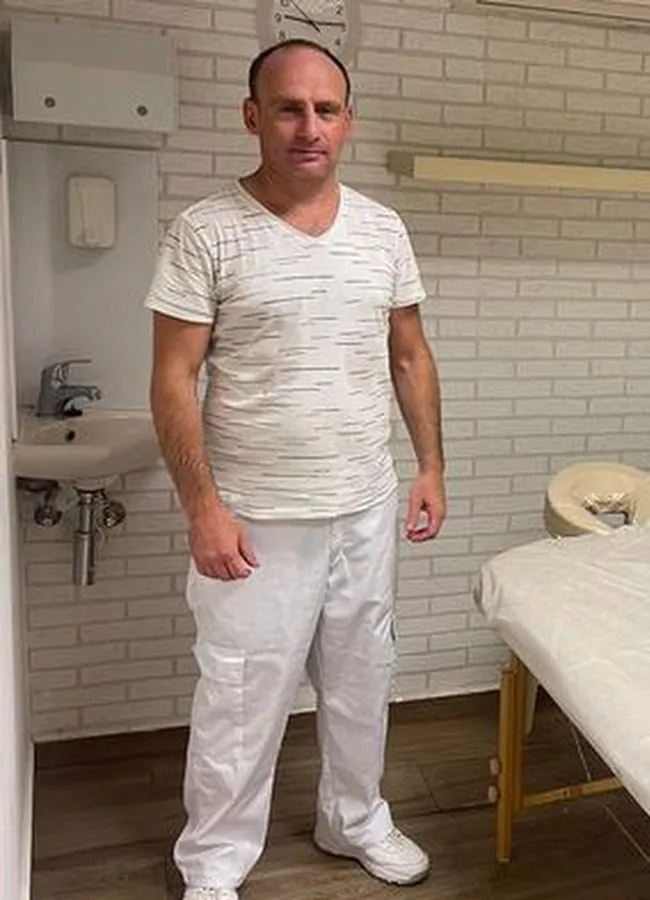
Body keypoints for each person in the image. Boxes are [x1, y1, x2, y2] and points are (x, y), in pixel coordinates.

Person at [143, 38, 445, 900]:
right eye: (288, 108)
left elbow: (410, 355)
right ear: (254, 116)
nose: (308, 127)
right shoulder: (205, 231)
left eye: (325, 109)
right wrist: (203, 507)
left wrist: (430, 466)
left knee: (361, 681)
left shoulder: (382, 230)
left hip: (364, 506)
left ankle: (355, 820)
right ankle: (213, 864)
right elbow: (172, 376)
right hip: (255, 516)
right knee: (241, 698)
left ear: (348, 121)